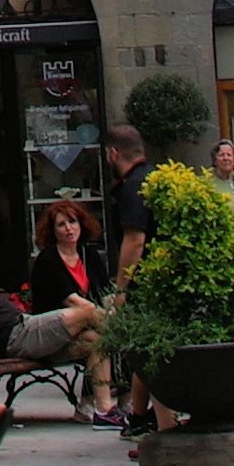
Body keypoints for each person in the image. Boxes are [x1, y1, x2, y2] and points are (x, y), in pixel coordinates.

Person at [9, 199, 115, 418]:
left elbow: (107, 295)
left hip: (87, 330)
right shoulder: (47, 260)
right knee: (113, 336)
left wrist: (113, 310)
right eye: (61, 224)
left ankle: (101, 407)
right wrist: (115, 323)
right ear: (52, 230)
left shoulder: (90, 255)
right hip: (53, 337)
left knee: (97, 339)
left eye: (73, 221)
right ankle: (104, 409)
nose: (69, 228)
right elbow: (75, 303)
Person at [95, 121, 154, 430]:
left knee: (148, 352)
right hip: (165, 278)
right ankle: (141, 417)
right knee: (142, 352)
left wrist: (120, 288)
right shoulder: (157, 176)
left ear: (113, 154)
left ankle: (158, 423)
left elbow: (135, 240)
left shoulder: (132, 186)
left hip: (147, 284)